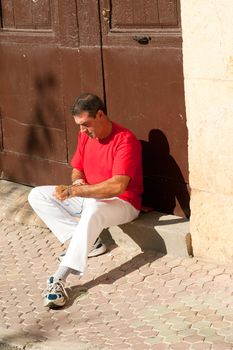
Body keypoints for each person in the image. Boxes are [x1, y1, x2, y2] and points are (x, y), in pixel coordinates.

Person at [28, 93, 143, 308]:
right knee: (37, 195)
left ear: (100, 114)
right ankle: (88, 243)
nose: (82, 130)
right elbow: (76, 169)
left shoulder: (125, 140)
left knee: (94, 210)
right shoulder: (85, 135)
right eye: (79, 125)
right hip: (88, 197)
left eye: (86, 124)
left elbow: (118, 186)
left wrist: (77, 192)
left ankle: (59, 278)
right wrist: (78, 181)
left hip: (122, 203)